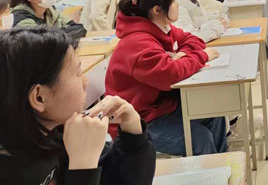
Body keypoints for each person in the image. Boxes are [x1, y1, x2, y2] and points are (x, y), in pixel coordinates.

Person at [0, 26, 156, 185]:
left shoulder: (58, 134)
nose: (86, 81)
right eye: (78, 72)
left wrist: (133, 136)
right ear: (39, 98)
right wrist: (82, 167)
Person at [104, 0, 227, 156]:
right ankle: (211, 170)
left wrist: (183, 54)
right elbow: (171, 74)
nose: (178, 5)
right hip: (137, 120)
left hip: (161, 107)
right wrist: (202, 56)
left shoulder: (160, 28)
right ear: (157, 10)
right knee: (199, 138)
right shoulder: (138, 43)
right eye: (174, 1)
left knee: (215, 110)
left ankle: (222, 165)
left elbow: (193, 40)